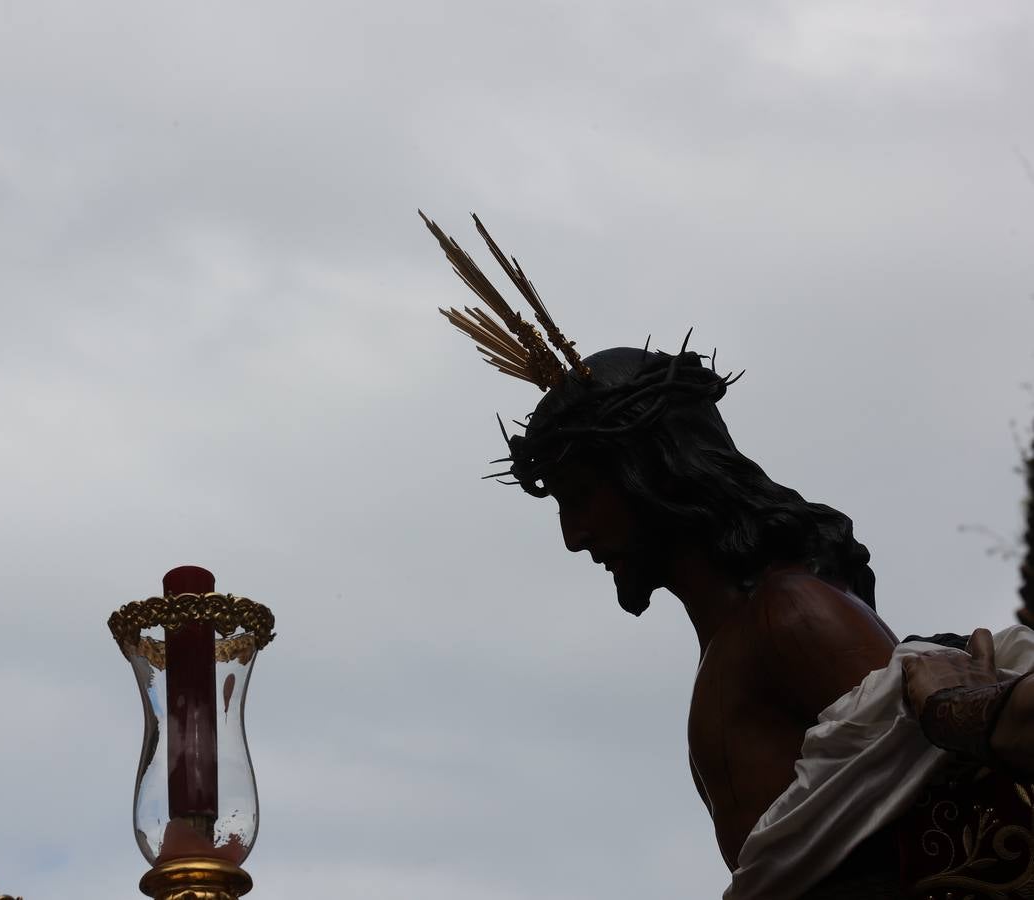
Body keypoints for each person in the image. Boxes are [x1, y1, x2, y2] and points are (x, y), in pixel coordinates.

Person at [421, 212, 1034, 898]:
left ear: (655, 476)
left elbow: (936, 791)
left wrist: (964, 710)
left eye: (582, 498)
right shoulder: (731, 647)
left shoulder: (791, 614)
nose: (573, 536)